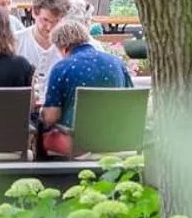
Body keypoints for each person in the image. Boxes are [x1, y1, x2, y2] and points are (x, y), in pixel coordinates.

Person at [39, 19, 132, 158]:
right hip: (116, 140)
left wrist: (41, 114)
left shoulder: (62, 68)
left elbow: (52, 116)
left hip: (78, 145)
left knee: (41, 135)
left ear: (64, 48)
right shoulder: (117, 63)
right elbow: (130, 100)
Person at [15, 0, 71, 104]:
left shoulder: (70, 45)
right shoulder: (16, 41)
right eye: (45, 20)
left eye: (56, 21)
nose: (49, 27)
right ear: (34, 13)